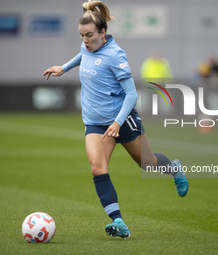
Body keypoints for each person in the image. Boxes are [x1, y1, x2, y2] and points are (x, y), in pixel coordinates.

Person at [42, 0, 188, 239]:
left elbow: (132, 94)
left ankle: (175, 170)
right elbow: (82, 55)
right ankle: (118, 222)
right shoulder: (87, 47)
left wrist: (118, 122)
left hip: (122, 119)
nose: (84, 40)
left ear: (103, 33)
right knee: (97, 168)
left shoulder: (115, 55)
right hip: (95, 123)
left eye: (89, 35)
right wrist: (64, 67)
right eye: (81, 35)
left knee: (147, 163)